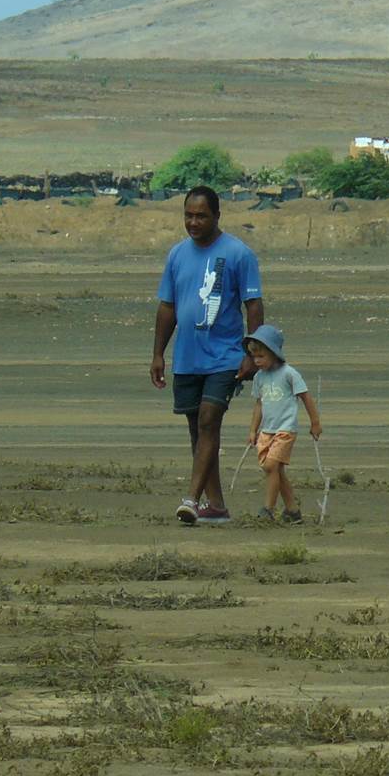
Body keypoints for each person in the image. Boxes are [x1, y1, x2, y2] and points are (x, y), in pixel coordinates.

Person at [150, 185, 263, 524]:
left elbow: (253, 305)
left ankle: (191, 500)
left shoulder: (239, 254)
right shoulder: (176, 255)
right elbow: (167, 306)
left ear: (217, 216)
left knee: (209, 421)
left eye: (201, 216)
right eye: (188, 215)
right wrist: (158, 353)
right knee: (197, 432)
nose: (194, 222)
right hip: (187, 356)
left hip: (225, 357)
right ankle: (216, 506)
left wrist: (252, 352)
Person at [243, 324, 322, 523]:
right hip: (266, 431)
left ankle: (267, 509)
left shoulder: (289, 374)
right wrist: (253, 430)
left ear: (274, 354)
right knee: (276, 470)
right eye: (254, 357)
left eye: (261, 357)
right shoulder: (259, 378)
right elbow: (259, 405)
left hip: (285, 430)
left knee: (271, 466)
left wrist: (315, 423)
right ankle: (293, 511)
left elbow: (306, 397)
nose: (257, 361)